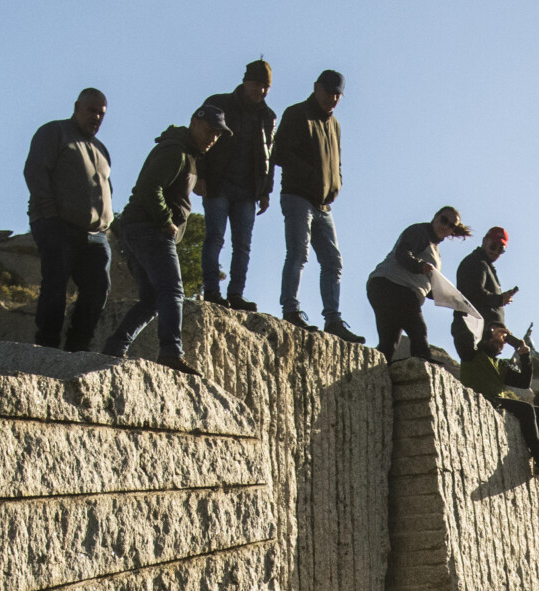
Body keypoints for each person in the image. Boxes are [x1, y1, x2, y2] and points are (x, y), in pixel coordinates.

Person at [101, 104, 228, 374]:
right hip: (150, 229)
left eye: (218, 134)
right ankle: (171, 352)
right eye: (210, 130)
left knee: (151, 299)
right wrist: (165, 221)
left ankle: (115, 345)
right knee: (172, 291)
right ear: (195, 123)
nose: (213, 138)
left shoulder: (187, 153)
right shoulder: (176, 152)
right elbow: (148, 187)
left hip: (138, 228)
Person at [271, 69, 363, 341]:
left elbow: (337, 161)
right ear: (316, 88)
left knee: (333, 261)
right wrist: (311, 175)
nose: (333, 99)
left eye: (338, 95)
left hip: (323, 204)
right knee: (298, 253)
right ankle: (290, 309)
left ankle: (333, 319)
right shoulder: (297, 114)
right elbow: (280, 153)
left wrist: (336, 182)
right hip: (297, 196)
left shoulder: (335, 125)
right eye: (329, 93)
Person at [23, 88, 113, 351]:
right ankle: (47, 345)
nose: (96, 117)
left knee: (98, 289)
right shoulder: (54, 132)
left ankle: (77, 347)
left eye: (101, 113)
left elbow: (106, 187)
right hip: (58, 224)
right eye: (92, 111)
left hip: (95, 233)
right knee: (56, 284)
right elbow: (35, 170)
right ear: (77, 107)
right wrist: (49, 212)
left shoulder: (101, 148)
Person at [200, 60, 276, 311]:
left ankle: (236, 294)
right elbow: (199, 139)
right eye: (257, 84)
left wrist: (266, 191)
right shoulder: (218, 104)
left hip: (248, 190)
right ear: (245, 82)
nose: (261, 91)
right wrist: (199, 176)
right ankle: (211, 290)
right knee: (215, 238)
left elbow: (270, 156)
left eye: (266, 86)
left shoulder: (268, 116)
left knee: (242, 246)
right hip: (217, 183)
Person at [457, 325, 539, 475]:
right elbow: (469, 337)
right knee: (526, 409)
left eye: (503, 343)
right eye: (498, 340)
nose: (501, 344)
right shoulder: (472, 354)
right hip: (478, 398)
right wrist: (491, 333)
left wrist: (525, 356)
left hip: (496, 400)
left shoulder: (501, 364)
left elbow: (524, 382)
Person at [367, 206, 472, 362]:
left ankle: (371, 371)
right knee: (418, 331)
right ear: (435, 217)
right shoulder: (421, 232)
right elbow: (403, 253)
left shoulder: (434, 249)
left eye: (451, 226)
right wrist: (419, 265)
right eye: (444, 220)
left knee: (389, 343)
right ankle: (422, 366)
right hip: (393, 286)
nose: (445, 226)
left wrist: (451, 297)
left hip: (390, 288)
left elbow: (426, 286)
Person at [451, 225, 518, 358]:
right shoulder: (476, 262)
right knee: (479, 368)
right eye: (493, 246)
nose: (496, 251)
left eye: (501, 249)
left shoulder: (484, 265)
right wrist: (500, 299)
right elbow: (474, 292)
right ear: (484, 241)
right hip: (474, 333)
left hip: (482, 335)